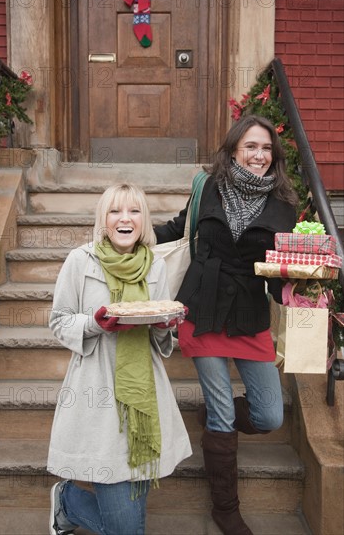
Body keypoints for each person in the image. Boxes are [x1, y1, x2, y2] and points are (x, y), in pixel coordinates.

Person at [154, 115, 298, 535]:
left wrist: (303, 282)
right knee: (221, 413)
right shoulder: (207, 187)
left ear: (274, 155)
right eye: (251, 146)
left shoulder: (285, 205)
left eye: (266, 148)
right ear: (234, 149)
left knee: (270, 415)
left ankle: (214, 415)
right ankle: (226, 509)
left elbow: (280, 271)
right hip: (203, 308)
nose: (259, 155)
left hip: (250, 314)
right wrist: (136, 234)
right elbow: (180, 229)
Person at [47, 183, 192, 535]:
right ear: (103, 220)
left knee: (128, 517)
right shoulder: (81, 261)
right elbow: (59, 321)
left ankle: (69, 505)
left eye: (134, 211)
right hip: (96, 393)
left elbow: (159, 334)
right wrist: (94, 323)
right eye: (115, 211)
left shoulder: (155, 266)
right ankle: (68, 500)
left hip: (144, 395)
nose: (124, 218)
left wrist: (165, 324)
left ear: (144, 221)